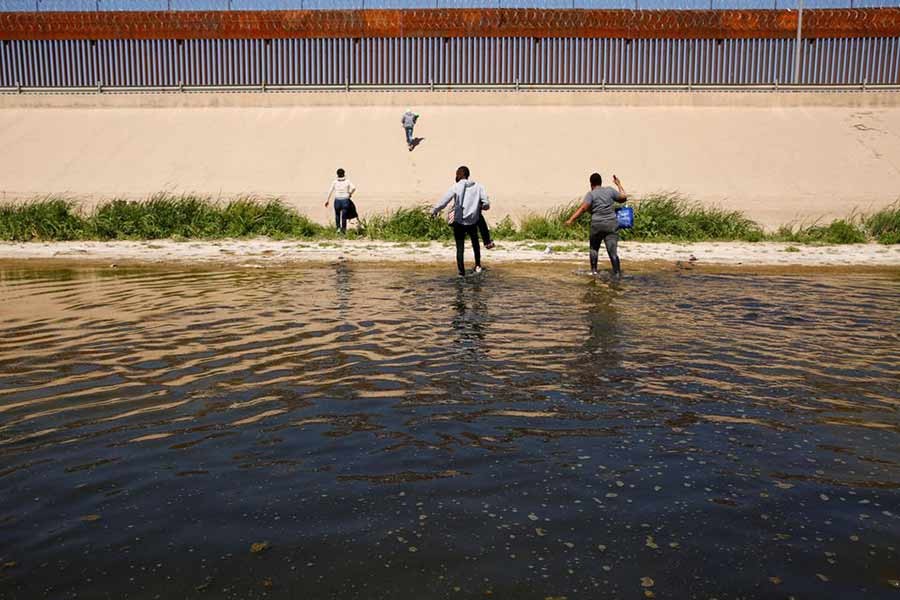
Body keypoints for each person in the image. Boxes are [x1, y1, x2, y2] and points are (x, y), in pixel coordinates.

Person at [565, 172, 629, 276]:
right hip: (611, 225)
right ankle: (617, 274)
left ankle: (594, 272)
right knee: (612, 252)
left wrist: (571, 219)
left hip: (597, 225)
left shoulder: (591, 194)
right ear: (601, 182)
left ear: (591, 183)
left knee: (594, 249)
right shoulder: (609, 190)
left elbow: (583, 208)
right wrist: (618, 184)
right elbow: (624, 197)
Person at [432, 165, 489, 277]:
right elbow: (486, 204)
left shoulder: (456, 187)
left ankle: (461, 272)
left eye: (457, 173)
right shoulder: (479, 187)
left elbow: (444, 201)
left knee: (460, 248)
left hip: (459, 222)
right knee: (475, 243)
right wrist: (477, 207)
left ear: (460, 175)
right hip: (473, 221)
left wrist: (434, 211)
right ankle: (478, 265)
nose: (456, 176)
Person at [324, 168, 356, 234]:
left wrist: (327, 200)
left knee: (337, 215)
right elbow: (354, 188)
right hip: (345, 200)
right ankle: (343, 230)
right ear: (344, 174)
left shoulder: (335, 182)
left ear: (337, 174)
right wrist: (350, 193)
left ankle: (338, 229)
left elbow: (330, 191)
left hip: (337, 200)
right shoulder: (347, 181)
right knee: (344, 216)